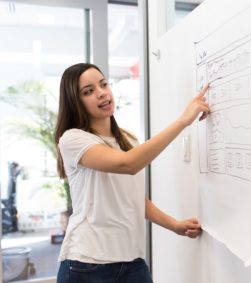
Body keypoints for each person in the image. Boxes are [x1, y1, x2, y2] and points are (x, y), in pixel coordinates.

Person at [54, 63, 210, 283]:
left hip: (132, 262)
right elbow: (128, 164)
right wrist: (183, 121)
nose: (101, 93)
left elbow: (134, 199)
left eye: (103, 84)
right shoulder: (73, 139)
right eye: (88, 91)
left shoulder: (127, 141)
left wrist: (174, 225)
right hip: (87, 264)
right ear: (75, 101)